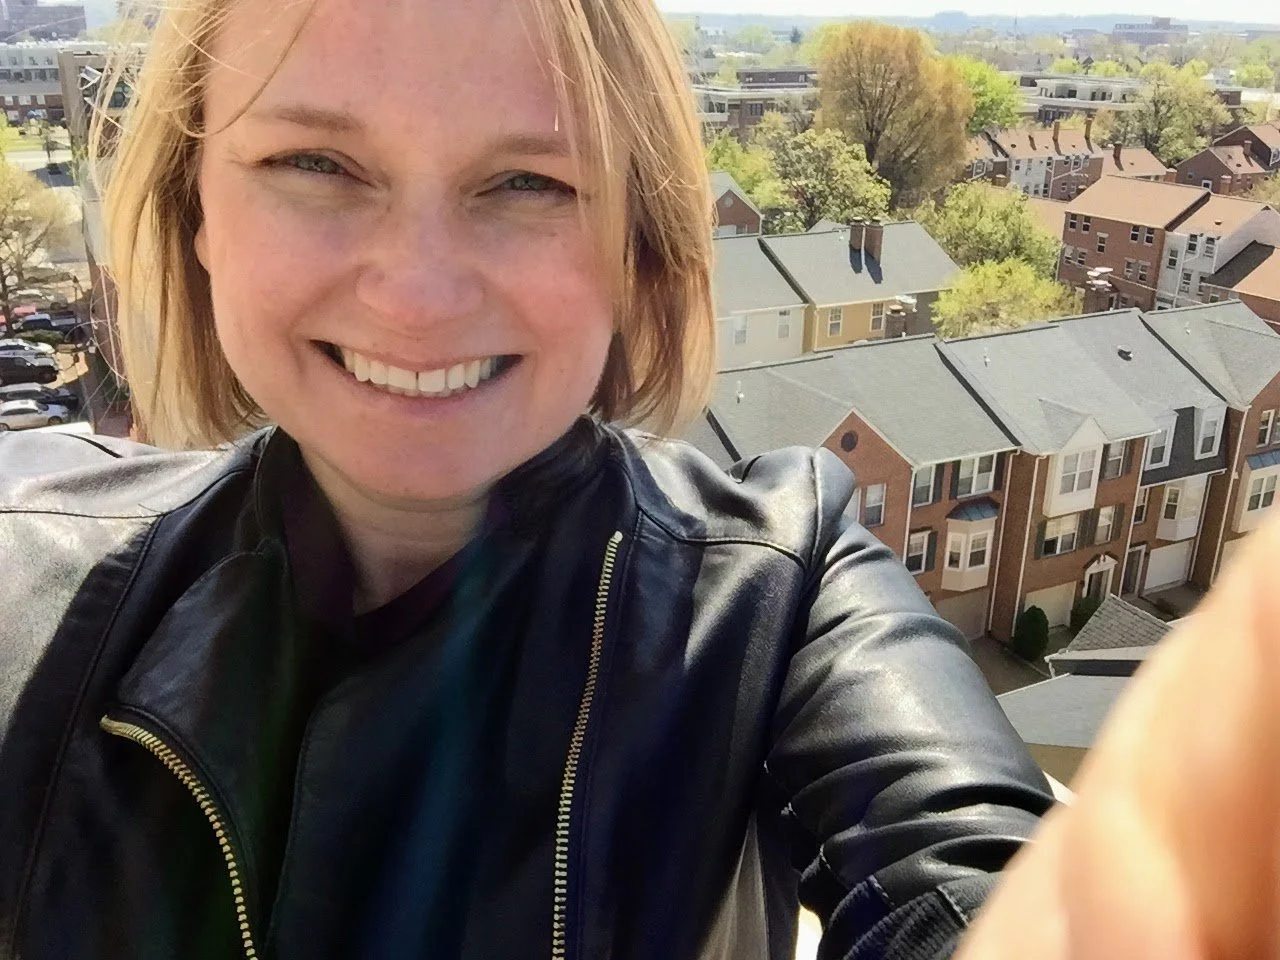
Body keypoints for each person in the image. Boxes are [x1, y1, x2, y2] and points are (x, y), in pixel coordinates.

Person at [0, 1, 1060, 958]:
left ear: (637, 243)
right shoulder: (22, 568)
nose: (416, 296)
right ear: (196, 209)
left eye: (529, 182)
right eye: (315, 163)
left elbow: (969, 880)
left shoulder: (778, 597)